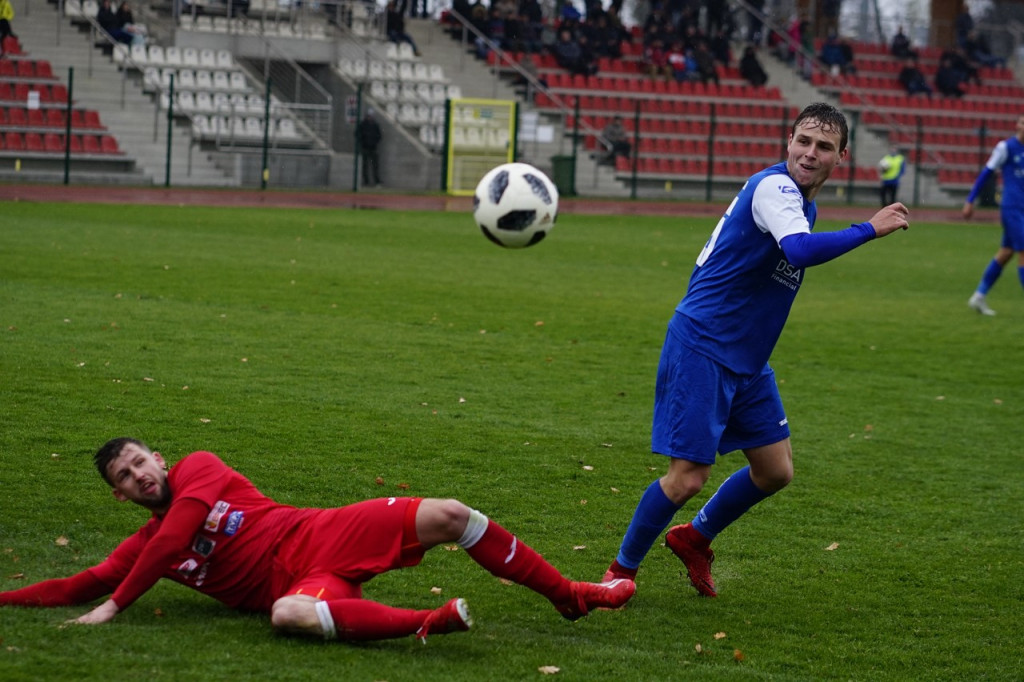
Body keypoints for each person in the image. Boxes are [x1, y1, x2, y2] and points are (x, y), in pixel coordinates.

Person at [601, 103, 910, 597]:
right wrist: (869, 228)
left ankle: (693, 538)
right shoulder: (775, 188)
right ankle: (619, 574)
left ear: (842, 156)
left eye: (823, 146)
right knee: (686, 479)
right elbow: (801, 251)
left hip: (746, 359)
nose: (810, 153)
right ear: (788, 141)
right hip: (704, 343)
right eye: (803, 141)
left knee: (775, 470)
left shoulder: (802, 205)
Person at [0, 438, 635, 642]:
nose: (139, 476)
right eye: (125, 477)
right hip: (299, 583)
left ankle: (570, 593)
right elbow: (75, 584)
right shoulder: (143, 546)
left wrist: (115, 607)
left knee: (450, 513)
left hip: (319, 528)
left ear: (160, 459)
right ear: (121, 495)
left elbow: (170, 545)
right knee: (287, 615)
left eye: (141, 462)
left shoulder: (198, 468)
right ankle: (425, 623)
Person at [963, 114, 1024, 316]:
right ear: (1017, 125)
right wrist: (970, 200)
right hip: (1012, 207)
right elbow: (986, 173)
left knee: (1006, 252)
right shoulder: (1005, 147)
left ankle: (979, 296)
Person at [355, 109, 383, 187]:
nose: (370, 117)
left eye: (371, 116)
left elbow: (379, 136)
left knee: (375, 166)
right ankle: (366, 181)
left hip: (373, 148)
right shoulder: (362, 125)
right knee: (365, 166)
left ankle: (376, 181)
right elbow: (357, 134)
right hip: (365, 148)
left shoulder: (375, 125)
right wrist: (363, 142)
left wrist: (374, 142)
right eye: (368, 116)